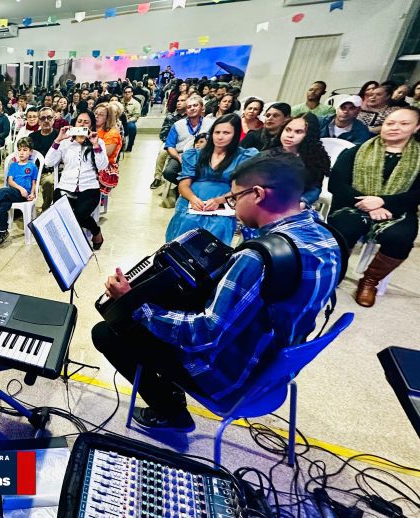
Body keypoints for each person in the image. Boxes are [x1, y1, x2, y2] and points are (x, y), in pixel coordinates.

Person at [93, 153, 341, 431]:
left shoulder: (257, 259)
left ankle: (171, 412)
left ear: (258, 194)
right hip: (275, 369)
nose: (232, 207)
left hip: (231, 379)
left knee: (109, 331)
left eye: (234, 198)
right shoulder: (327, 238)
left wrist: (134, 303)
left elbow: (204, 334)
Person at [328, 107, 420, 308]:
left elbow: (416, 194)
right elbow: (336, 184)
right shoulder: (356, 151)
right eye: (390, 123)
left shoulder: (418, 158)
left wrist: (382, 201)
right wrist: (369, 203)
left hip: (397, 210)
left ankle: (369, 282)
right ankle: (334, 274)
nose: (394, 127)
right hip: (353, 205)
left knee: (400, 237)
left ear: (416, 127)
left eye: (404, 124)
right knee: (343, 227)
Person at [166, 114, 258, 245]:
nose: (220, 137)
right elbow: (183, 185)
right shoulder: (195, 155)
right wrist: (192, 198)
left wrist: (219, 200)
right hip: (192, 201)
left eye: (226, 133)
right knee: (185, 229)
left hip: (224, 203)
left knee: (216, 233)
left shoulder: (243, 157)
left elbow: (242, 189)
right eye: (217, 132)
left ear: (235, 135)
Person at [45, 111, 109, 249]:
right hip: (65, 186)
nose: (82, 124)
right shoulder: (65, 142)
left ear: (91, 126)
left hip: (89, 187)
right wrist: (58, 140)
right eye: (79, 121)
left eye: (86, 122)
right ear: (74, 124)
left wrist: (95, 145)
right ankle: (72, 244)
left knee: (78, 215)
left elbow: (102, 166)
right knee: (62, 215)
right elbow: (48, 162)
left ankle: (95, 232)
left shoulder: (98, 142)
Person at [265, 114, 331, 206]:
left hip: (293, 205)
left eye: (298, 132)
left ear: (308, 135)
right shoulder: (269, 152)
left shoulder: (314, 160)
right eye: (288, 130)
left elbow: (314, 188)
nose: (290, 135)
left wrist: (303, 202)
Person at [162, 95, 214, 184]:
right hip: (182, 155)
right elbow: (170, 146)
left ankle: (195, 187)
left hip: (205, 155)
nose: (192, 108)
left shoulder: (211, 124)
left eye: (195, 105)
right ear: (186, 110)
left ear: (202, 107)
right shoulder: (177, 125)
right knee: (168, 172)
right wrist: (179, 158)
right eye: (189, 107)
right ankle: (183, 187)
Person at [152, 94, 189, 189]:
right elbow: (163, 134)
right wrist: (171, 143)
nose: (179, 103)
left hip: (186, 144)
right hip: (171, 143)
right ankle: (157, 177)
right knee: (162, 153)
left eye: (182, 100)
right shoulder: (170, 117)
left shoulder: (190, 117)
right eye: (178, 101)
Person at [122, 86, 141, 153]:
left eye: (129, 92)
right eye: (126, 92)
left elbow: (136, 116)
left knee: (132, 127)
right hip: (118, 120)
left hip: (129, 121)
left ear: (132, 93)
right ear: (123, 93)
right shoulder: (120, 101)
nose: (127, 93)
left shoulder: (136, 103)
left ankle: (129, 146)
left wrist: (127, 120)